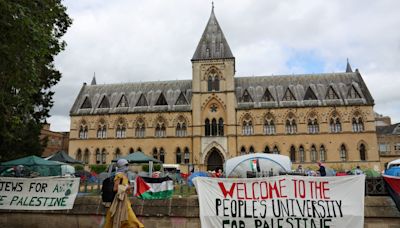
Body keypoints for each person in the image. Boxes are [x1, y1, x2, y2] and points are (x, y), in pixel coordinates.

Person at [104, 159, 144, 228]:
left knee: (122, 217)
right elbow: (115, 188)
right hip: (119, 200)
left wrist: (129, 187)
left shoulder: (123, 175)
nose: (127, 167)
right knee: (129, 217)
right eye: (126, 165)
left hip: (124, 199)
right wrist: (127, 187)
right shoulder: (119, 175)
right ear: (122, 166)